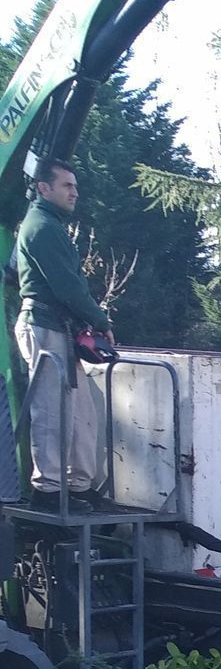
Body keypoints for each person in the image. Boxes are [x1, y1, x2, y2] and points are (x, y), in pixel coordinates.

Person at [12, 158, 112, 509]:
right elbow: (68, 286)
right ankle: (49, 491)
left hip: (61, 328)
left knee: (81, 412)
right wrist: (100, 321)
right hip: (43, 325)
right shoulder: (42, 226)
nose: (75, 192)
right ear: (44, 187)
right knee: (51, 410)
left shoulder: (50, 225)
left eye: (75, 185)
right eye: (67, 185)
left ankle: (79, 485)